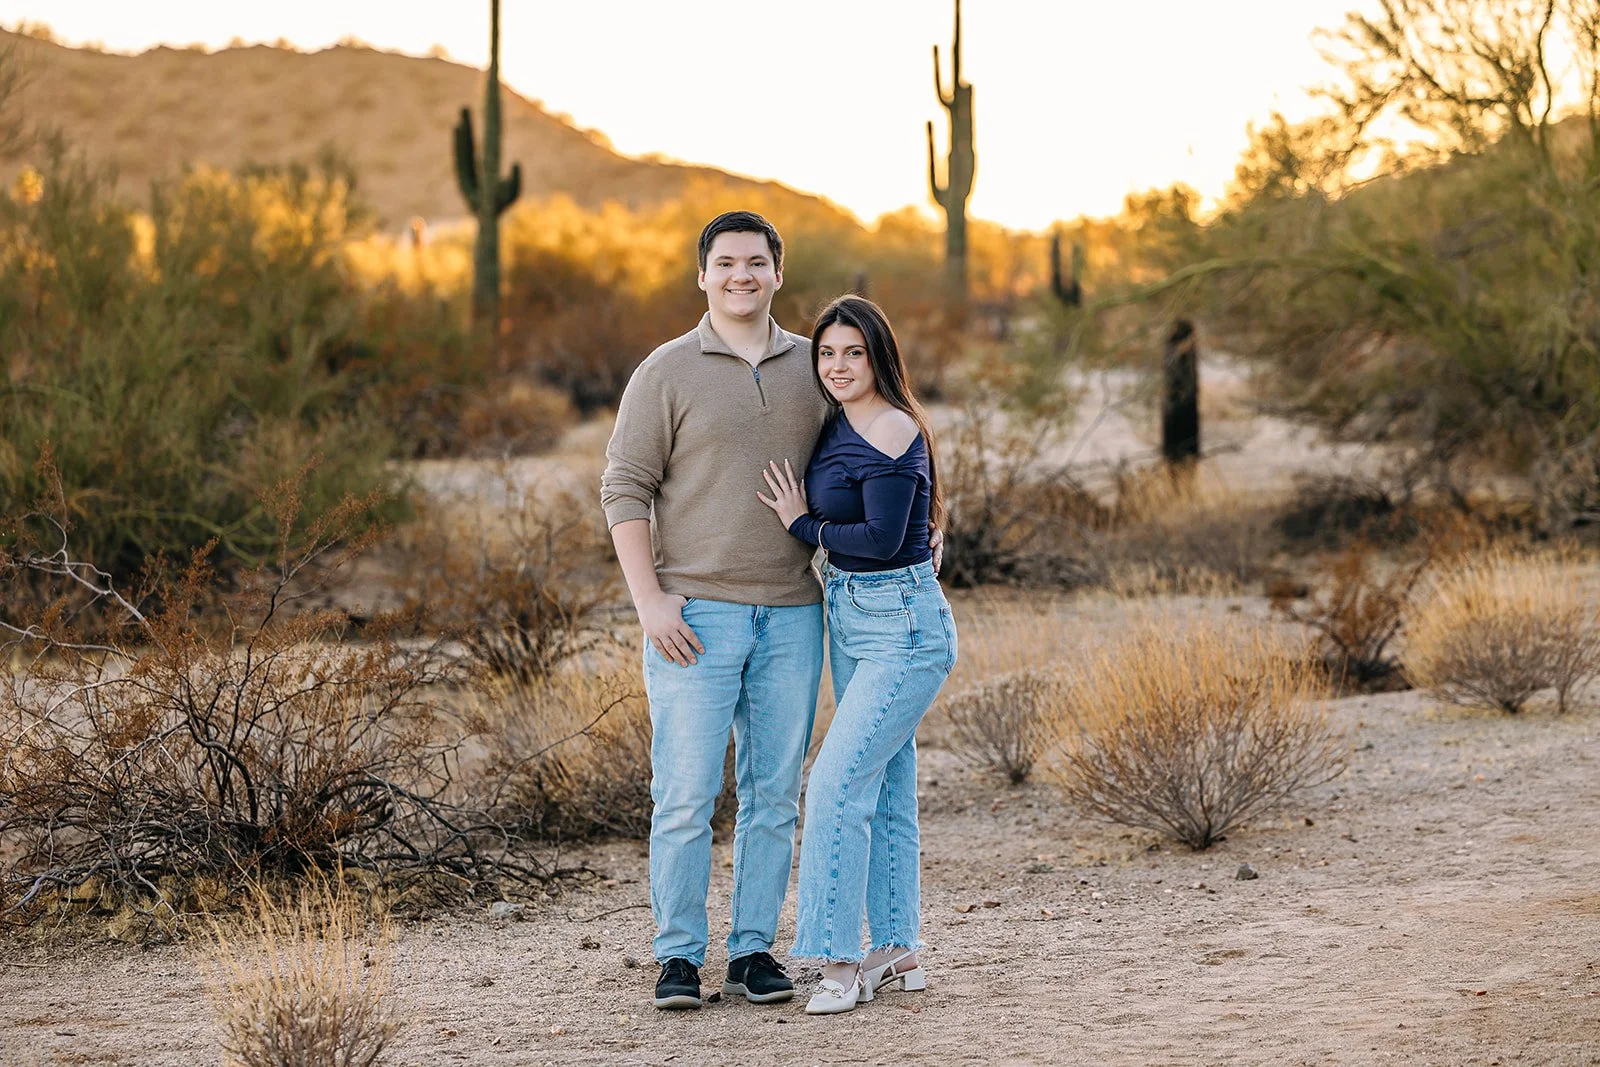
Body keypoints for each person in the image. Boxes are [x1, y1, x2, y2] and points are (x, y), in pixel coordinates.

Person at [600, 211, 829, 1011]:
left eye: (756, 262)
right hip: (694, 615)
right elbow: (624, 486)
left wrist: (925, 519)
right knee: (687, 794)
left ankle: (753, 950)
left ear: (777, 272)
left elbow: (874, 443)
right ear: (702, 276)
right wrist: (650, 601)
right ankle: (676, 957)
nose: (742, 275)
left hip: (794, 613)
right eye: (725, 263)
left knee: (774, 794)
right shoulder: (665, 370)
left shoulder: (815, 364)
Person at [756, 294, 957, 1015]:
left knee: (834, 782)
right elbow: (917, 514)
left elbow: (876, 537)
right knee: (886, 784)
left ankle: (840, 961)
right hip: (852, 614)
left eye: (854, 353)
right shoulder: (840, 422)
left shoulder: (895, 426)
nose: (838, 366)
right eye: (827, 353)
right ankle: (899, 945)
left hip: (902, 627)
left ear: (879, 357)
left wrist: (800, 522)